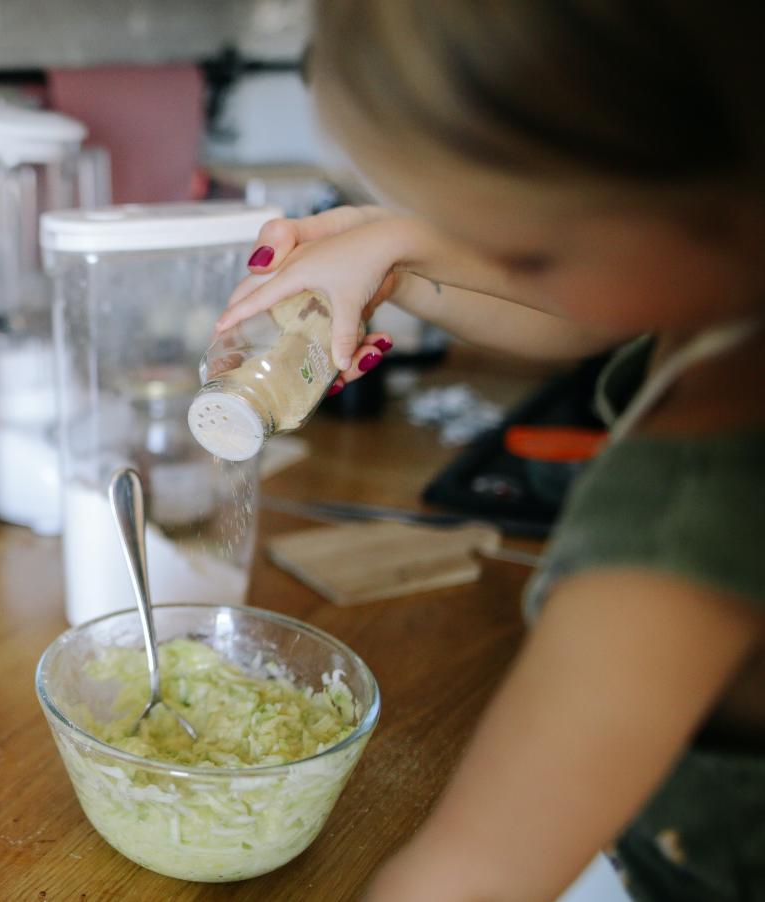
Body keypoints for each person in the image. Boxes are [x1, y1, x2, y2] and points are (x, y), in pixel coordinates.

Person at [215, 3, 765, 899]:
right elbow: (595, 310)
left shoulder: (682, 524)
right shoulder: (724, 290)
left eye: (524, 249)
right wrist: (400, 256)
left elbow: (469, 881)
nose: (494, 261)